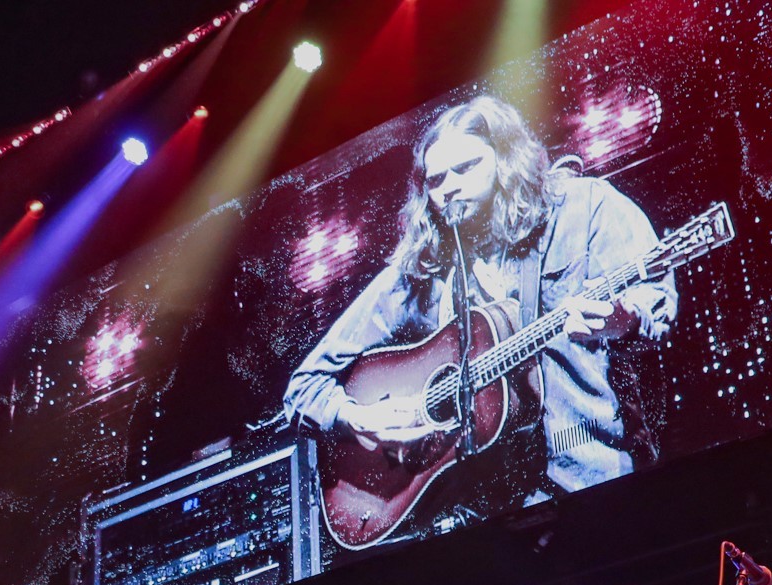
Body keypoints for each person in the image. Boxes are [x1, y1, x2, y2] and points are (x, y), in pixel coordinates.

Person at [284, 94, 677, 516]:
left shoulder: (584, 206)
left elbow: (655, 300)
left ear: (505, 160)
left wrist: (620, 318)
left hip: (597, 475)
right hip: (485, 514)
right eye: (435, 181)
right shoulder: (423, 265)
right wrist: (357, 418)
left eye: (466, 168)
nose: (449, 186)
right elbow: (303, 387)